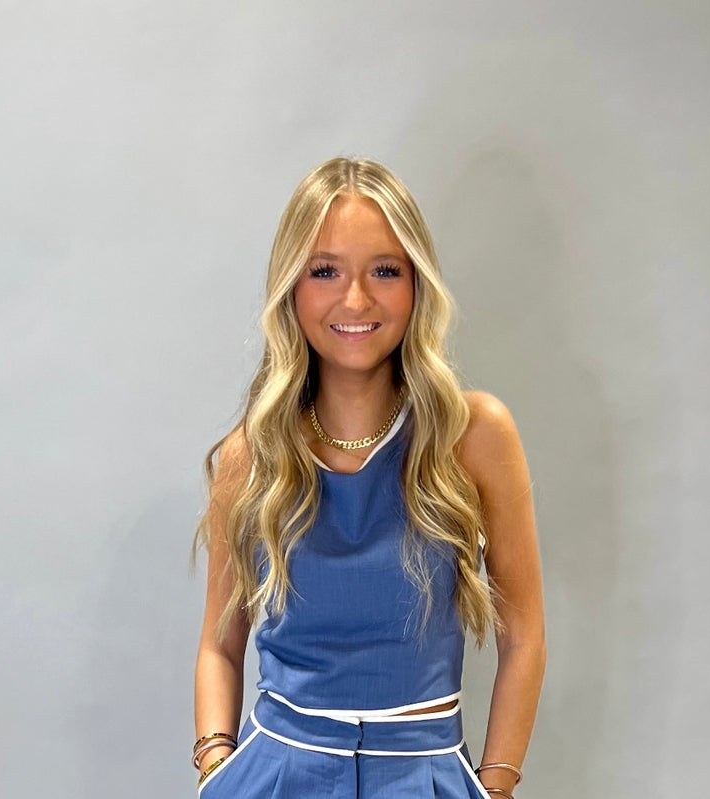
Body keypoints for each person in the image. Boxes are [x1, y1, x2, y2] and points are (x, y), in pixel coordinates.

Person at [192, 157, 546, 799]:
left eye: (385, 270)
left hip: (423, 772)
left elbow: (523, 636)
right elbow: (220, 643)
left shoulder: (474, 435)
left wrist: (495, 787)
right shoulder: (252, 455)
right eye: (324, 271)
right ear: (291, 287)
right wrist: (216, 765)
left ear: (417, 284)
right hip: (276, 774)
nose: (355, 299)